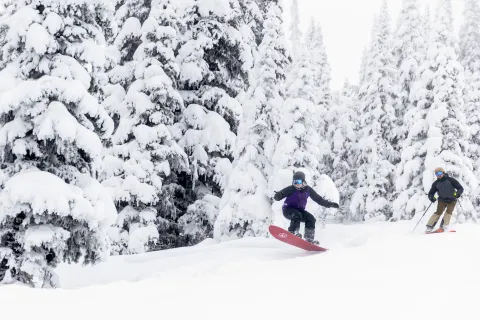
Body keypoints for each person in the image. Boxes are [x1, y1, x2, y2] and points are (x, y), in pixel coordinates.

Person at [273, 171, 339, 244]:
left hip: (300, 211)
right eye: (294, 182)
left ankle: (309, 239)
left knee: (311, 218)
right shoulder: (291, 189)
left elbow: (318, 199)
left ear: (303, 181)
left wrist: (330, 204)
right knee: (296, 214)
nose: (296, 184)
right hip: (288, 210)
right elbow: (280, 195)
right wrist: (277, 196)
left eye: (298, 181)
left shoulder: (308, 190)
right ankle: (293, 232)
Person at [425, 167, 464, 233]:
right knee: (438, 212)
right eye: (437, 174)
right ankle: (429, 227)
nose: (438, 175)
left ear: (443, 173)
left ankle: (444, 227)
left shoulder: (451, 180)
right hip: (442, 200)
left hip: (452, 199)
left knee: (448, 213)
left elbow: (460, 188)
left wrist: (458, 193)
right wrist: (431, 197)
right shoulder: (436, 183)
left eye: (440, 173)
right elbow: (431, 193)